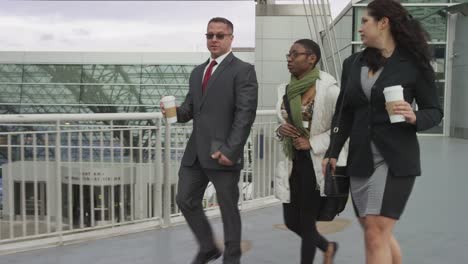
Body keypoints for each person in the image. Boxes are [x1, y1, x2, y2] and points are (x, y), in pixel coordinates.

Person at [322, 1, 443, 263]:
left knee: (376, 231)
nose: (360, 29)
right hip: (360, 158)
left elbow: (434, 110)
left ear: (384, 22)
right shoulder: (352, 63)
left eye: (365, 21)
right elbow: (344, 112)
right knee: (374, 230)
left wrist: (414, 116)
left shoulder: (414, 64)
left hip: (395, 158)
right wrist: (333, 151)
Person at [162, 17, 258, 264]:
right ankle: (208, 247)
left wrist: (231, 149)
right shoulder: (198, 72)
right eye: (209, 35)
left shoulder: (243, 70)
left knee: (228, 208)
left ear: (231, 39)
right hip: (196, 152)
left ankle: (232, 258)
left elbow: (245, 114)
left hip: (223, 152)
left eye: (219, 35)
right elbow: (190, 110)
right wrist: (173, 112)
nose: (214, 40)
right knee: (184, 199)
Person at [274, 39, 348, 264]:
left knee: (306, 223)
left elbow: (344, 129)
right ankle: (328, 247)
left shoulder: (330, 91)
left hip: (316, 163)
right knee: (291, 221)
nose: (289, 58)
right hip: (292, 161)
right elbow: (283, 122)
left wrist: (313, 142)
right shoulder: (285, 89)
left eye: (295, 54)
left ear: (311, 58)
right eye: (288, 54)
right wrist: (280, 130)